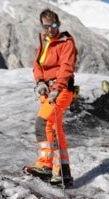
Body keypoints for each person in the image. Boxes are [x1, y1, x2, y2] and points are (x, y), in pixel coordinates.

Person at [25, 9, 77, 188]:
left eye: (53, 25)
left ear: (58, 24)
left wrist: (56, 88)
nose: (50, 29)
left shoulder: (66, 42)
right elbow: (37, 64)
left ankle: (45, 166)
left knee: (43, 123)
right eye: (46, 26)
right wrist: (40, 81)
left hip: (61, 90)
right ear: (42, 26)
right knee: (55, 128)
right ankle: (63, 173)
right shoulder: (44, 42)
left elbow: (66, 67)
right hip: (47, 91)